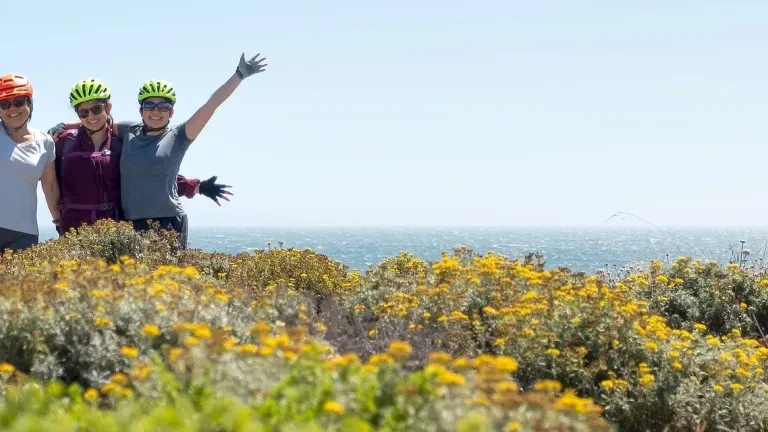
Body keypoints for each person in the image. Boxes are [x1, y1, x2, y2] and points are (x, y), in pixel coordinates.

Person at [52, 51, 265, 249]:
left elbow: (211, 105)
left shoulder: (180, 135)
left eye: (163, 107)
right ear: (140, 110)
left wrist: (238, 75)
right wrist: (65, 126)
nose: (156, 112)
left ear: (171, 112)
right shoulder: (129, 131)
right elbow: (96, 122)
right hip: (131, 224)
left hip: (169, 221)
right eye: (149, 106)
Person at [52, 78, 233, 238]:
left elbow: (151, 176)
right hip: (107, 226)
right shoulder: (124, 133)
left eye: (97, 109)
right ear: (141, 111)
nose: (91, 116)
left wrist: (196, 186)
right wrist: (62, 126)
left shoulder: (166, 137)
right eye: (84, 113)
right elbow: (50, 183)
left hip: (147, 224)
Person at [0, 73, 60, 253]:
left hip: (24, 234)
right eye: (4, 104)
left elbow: (49, 186)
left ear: (29, 104)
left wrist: (59, 222)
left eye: (19, 102)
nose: (12, 109)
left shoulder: (45, 142)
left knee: (22, 282)